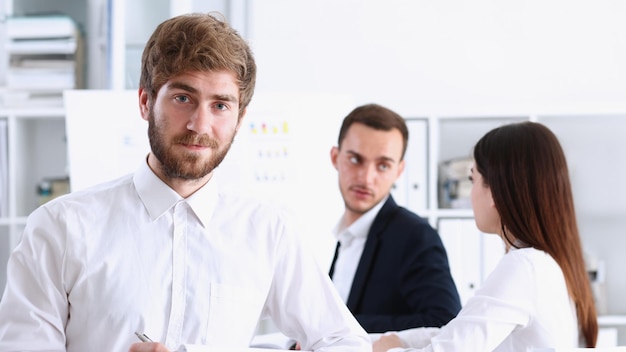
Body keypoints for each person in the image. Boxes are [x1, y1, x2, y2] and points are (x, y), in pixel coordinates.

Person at [0, 13, 371, 352]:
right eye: (183, 98)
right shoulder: (60, 228)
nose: (200, 125)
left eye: (220, 105)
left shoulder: (268, 231)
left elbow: (344, 342)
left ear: (240, 120)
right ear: (146, 102)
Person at [372, 121, 598, 352]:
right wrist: (400, 341)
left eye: (473, 180)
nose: (470, 194)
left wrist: (387, 350)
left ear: (495, 192)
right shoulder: (548, 265)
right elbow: (461, 332)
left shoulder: (525, 266)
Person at [328, 103, 461, 333]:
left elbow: (445, 321)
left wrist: (336, 328)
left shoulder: (415, 236)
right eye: (355, 159)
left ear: (398, 171)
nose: (366, 178)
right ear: (335, 157)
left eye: (382, 165)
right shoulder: (343, 236)